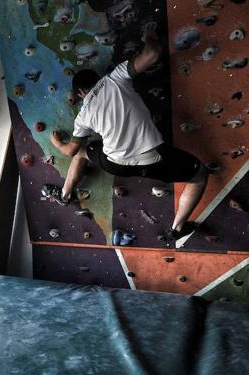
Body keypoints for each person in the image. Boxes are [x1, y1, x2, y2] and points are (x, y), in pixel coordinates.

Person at [41, 29, 208, 242]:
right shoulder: (116, 77)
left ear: (81, 93)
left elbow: (70, 150)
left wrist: (56, 141)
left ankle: (64, 195)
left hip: (116, 163)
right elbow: (153, 54)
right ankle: (177, 228)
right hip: (153, 158)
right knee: (199, 174)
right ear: (97, 79)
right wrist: (148, 37)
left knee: (82, 151)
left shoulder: (83, 115)